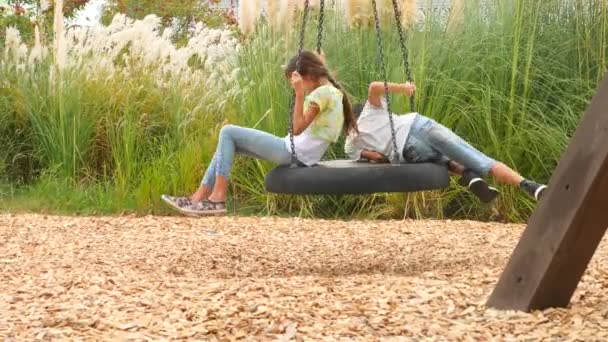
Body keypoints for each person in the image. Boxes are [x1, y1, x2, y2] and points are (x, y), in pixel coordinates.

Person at [162, 50, 357, 215]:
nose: (297, 85)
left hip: (291, 151)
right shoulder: (335, 94)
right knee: (229, 143)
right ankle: (198, 198)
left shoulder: (321, 94)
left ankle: (218, 197)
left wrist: (299, 94)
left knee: (227, 131)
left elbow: (297, 129)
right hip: (302, 154)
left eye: (296, 81)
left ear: (307, 75)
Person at [344, 80, 547, 202]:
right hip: (420, 126)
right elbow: (374, 86)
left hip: (411, 151)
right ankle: (529, 185)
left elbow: (378, 158)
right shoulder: (371, 111)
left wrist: (383, 148)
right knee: (480, 159)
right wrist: (403, 88)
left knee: (441, 161)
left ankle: (469, 176)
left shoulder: (350, 143)